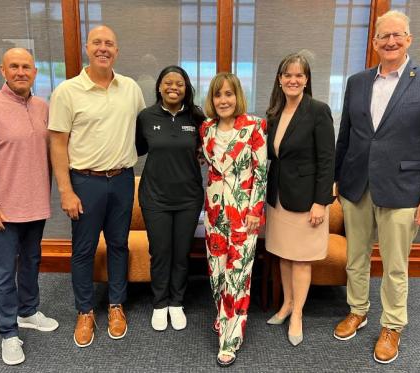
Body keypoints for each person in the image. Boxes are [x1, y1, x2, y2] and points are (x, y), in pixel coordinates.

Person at [333, 10, 420, 364]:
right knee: (355, 258)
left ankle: (392, 325)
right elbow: (347, 135)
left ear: (409, 39)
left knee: (395, 264)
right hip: (357, 185)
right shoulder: (357, 82)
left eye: (397, 35)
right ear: (374, 43)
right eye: (383, 36)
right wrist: (338, 177)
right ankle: (358, 309)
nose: (390, 41)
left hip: (404, 189)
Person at [48, 25, 145, 347]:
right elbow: (58, 143)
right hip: (84, 181)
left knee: (118, 244)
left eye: (110, 44)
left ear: (116, 50)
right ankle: (85, 310)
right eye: (97, 43)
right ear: (87, 48)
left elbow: (146, 130)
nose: (104, 48)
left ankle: (116, 305)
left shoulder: (130, 88)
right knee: (84, 249)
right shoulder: (67, 91)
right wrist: (65, 190)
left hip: (121, 180)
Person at [0, 48, 59, 366]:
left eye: (26, 66)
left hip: (36, 206)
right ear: (2, 70)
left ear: (35, 72)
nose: (21, 71)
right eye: (14, 66)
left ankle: (28, 312)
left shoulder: (43, 106)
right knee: (4, 275)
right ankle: (8, 333)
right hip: (1, 211)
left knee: (31, 263)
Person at [264, 52, 335, 346]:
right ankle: (286, 305)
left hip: (307, 201)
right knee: (283, 254)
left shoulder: (318, 111)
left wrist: (321, 201)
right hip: (279, 198)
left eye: (299, 75)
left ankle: (298, 315)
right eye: (287, 75)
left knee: (302, 259)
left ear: (306, 81)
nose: (293, 80)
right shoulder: (274, 114)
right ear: (280, 80)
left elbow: (327, 160)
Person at [200, 72, 267, 367]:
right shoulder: (205, 129)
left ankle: (230, 338)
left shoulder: (254, 126)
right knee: (217, 273)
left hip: (244, 214)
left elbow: (262, 172)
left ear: (236, 96)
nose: (223, 100)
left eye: (228, 94)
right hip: (214, 213)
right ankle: (222, 314)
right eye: (218, 95)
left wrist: (256, 211)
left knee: (237, 276)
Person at [136, 65, 205, 331]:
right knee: (160, 252)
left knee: (181, 254)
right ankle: (159, 303)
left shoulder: (197, 118)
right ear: (159, 87)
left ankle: (176, 303)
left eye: (179, 83)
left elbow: (208, 148)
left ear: (186, 89)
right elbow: (140, 149)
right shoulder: (146, 117)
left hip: (189, 198)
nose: (173, 87)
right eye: (168, 83)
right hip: (155, 198)